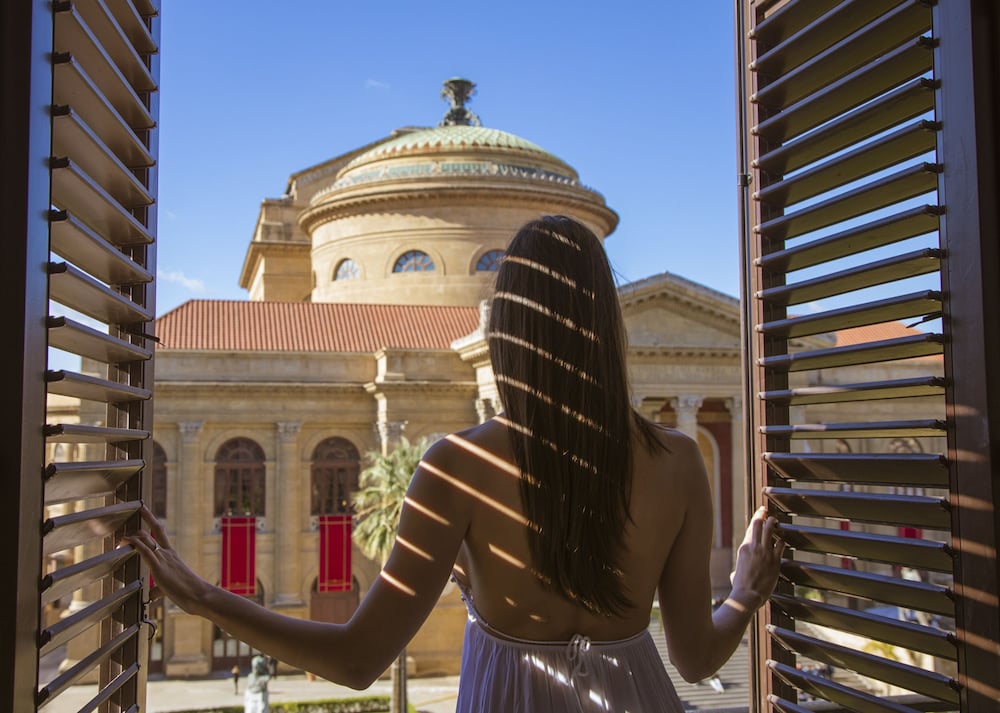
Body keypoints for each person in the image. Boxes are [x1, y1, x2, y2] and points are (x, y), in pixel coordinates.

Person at [127, 215, 784, 712]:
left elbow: (359, 659)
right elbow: (695, 656)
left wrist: (203, 595)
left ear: (505, 328)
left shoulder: (459, 465)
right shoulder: (676, 460)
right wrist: (748, 592)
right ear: (608, 324)